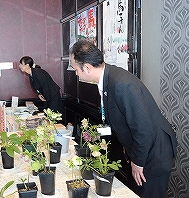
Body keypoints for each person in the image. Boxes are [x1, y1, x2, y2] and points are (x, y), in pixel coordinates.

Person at [69, 39, 178, 198]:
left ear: (87, 67)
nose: (76, 73)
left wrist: (138, 161)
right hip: (141, 148)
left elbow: (143, 128)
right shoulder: (108, 77)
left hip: (153, 152)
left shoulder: (121, 84)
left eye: (76, 69)